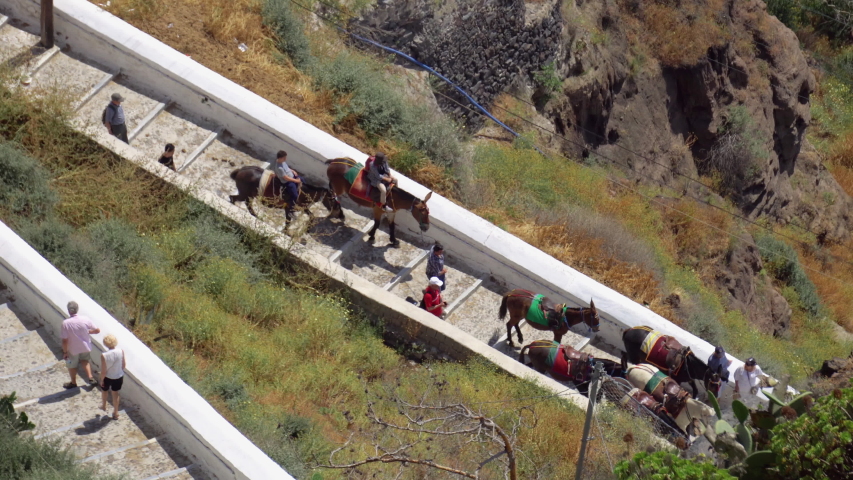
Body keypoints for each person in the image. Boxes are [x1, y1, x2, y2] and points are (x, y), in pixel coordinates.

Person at [61, 301, 100, 389]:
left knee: (71, 365)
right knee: (85, 361)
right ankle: (90, 378)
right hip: (85, 346)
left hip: (72, 349)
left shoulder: (65, 323)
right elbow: (97, 330)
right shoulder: (85, 319)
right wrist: (89, 332)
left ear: (68, 310)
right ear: (77, 310)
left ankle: (73, 382)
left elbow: (64, 340)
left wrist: (65, 352)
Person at [99, 334, 126, 420]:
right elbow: (124, 365)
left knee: (104, 391)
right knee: (115, 393)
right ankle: (116, 412)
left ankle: (103, 405)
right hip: (118, 376)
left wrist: (102, 380)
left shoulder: (104, 355)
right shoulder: (121, 351)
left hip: (108, 377)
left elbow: (103, 370)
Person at [274, 150, 301, 220]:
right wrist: (296, 180)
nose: (285, 159)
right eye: (284, 157)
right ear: (280, 158)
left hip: (292, 176)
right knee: (295, 195)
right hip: (287, 182)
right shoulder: (279, 168)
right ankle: (291, 210)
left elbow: (287, 168)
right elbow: (285, 177)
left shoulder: (283, 162)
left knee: (303, 180)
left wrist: (293, 171)